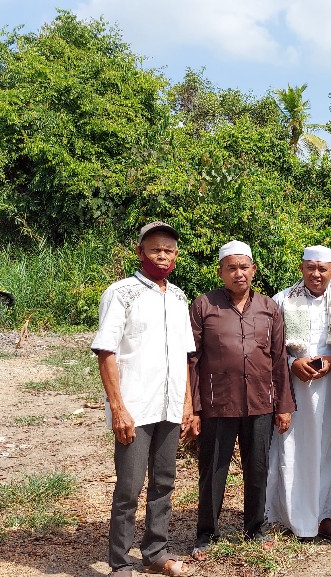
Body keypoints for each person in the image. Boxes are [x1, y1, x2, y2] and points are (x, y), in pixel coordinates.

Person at [91, 221, 198, 577]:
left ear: (176, 256)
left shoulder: (179, 297)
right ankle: (120, 563)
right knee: (129, 488)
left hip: (169, 406)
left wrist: (187, 404)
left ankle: (155, 552)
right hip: (135, 408)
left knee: (164, 482)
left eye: (169, 250)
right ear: (140, 252)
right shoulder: (121, 293)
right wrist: (118, 408)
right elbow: (106, 351)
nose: (162, 256)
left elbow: (184, 355)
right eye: (155, 250)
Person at [189, 240, 295, 560]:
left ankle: (255, 528)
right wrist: (192, 407)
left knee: (258, 466)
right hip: (217, 402)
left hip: (260, 401)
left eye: (244, 267)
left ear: (254, 270)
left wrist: (284, 406)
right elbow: (192, 359)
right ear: (220, 272)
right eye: (231, 268)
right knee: (213, 468)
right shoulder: (204, 306)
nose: (238, 273)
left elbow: (278, 358)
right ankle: (206, 533)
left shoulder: (268, 308)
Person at [266, 245, 331, 542]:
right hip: (294, 389)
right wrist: (292, 362)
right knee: (291, 449)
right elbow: (270, 347)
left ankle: (327, 516)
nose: (316, 274)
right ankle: (288, 516)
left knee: (330, 449)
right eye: (310, 268)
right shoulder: (281, 300)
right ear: (301, 268)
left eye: (322, 269)